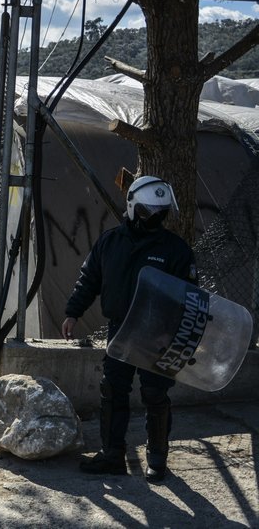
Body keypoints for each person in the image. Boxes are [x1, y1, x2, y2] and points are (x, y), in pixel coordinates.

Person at [61, 175, 196, 483]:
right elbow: (89, 279)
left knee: (155, 394)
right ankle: (112, 456)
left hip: (158, 334)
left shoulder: (176, 250)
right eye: (151, 212)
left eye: (162, 213)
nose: (157, 219)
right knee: (113, 390)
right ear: (134, 208)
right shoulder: (110, 242)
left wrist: (178, 336)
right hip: (121, 329)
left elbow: (190, 297)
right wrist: (72, 312)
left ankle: (157, 460)